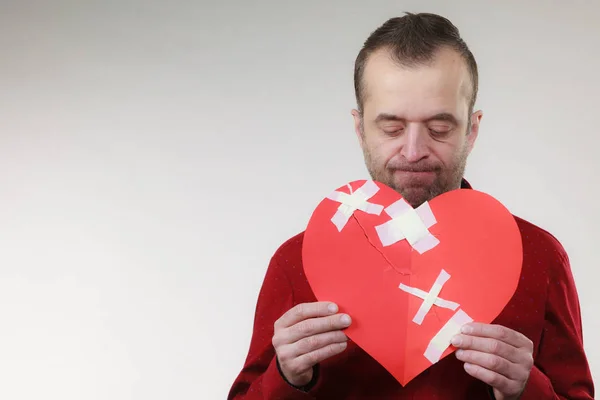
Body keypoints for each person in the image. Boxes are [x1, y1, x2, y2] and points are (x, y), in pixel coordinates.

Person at [228, 12, 594, 399]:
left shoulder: (538, 256)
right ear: (359, 128)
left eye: (439, 128)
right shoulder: (296, 262)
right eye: (392, 128)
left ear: (472, 129)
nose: (414, 151)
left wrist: (527, 389)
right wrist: (286, 378)